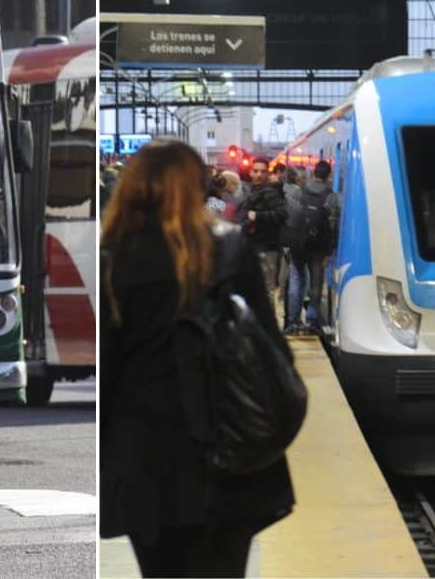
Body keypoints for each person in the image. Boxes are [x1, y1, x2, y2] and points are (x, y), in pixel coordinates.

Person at [101, 139, 294, 578]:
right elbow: (271, 353)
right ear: (196, 187)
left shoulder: (112, 258)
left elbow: (106, 373)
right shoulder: (226, 249)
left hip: (144, 461)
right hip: (226, 450)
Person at [238, 159, 288, 312]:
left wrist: (258, 216)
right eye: (256, 171)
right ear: (251, 172)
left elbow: (282, 214)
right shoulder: (255, 191)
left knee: (266, 290)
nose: (259, 174)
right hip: (254, 246)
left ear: (267, 174)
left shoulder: (270, 192)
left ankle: (268, 329)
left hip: (267, 248)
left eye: (262, 171)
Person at [303, 160, 341, 330]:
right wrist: (329, 250)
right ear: (329, 175)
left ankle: (292, 317)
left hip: (300, 242)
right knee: (317, 282)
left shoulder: (301, 190)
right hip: (319, 246)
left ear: (313, 173)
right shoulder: (331, 196)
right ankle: (312, 318)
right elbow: (333, 225)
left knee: (296, 279)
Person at [281, 165, 310, 333]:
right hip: (295, 240)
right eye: (303, 179)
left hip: (282, 240)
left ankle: (288, 319)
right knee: (299, 279)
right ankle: (293, 320)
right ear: (298, 179)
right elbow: (300, 216)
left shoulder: (280, 190)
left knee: (289, 277)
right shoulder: (299, 193)